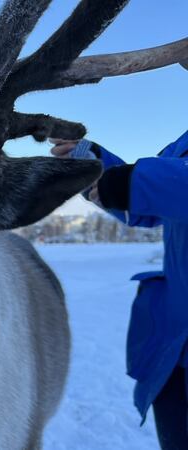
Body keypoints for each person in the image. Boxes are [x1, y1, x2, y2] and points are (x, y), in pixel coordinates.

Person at [52, 130, 188, 449]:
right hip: (173, 350)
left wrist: (135, 182)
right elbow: (144, 207)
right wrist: (94, 166)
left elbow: (150, 184)